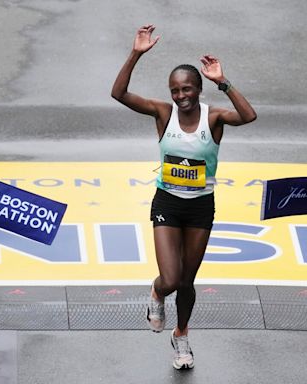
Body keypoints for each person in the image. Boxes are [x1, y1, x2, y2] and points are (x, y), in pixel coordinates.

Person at [111, 24, 257, 370]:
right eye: (175, 90)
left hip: (201, 206)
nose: (181, 96)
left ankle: (181, 336)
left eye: (187, 89)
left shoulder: (215, 116)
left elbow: (249, 116)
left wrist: (225, 82)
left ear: (199, 89)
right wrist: (136, 53)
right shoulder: (163, 113)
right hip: (167, 203)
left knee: (188, 281)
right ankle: (157, 293)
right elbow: (119, 94)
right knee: (172, 279)